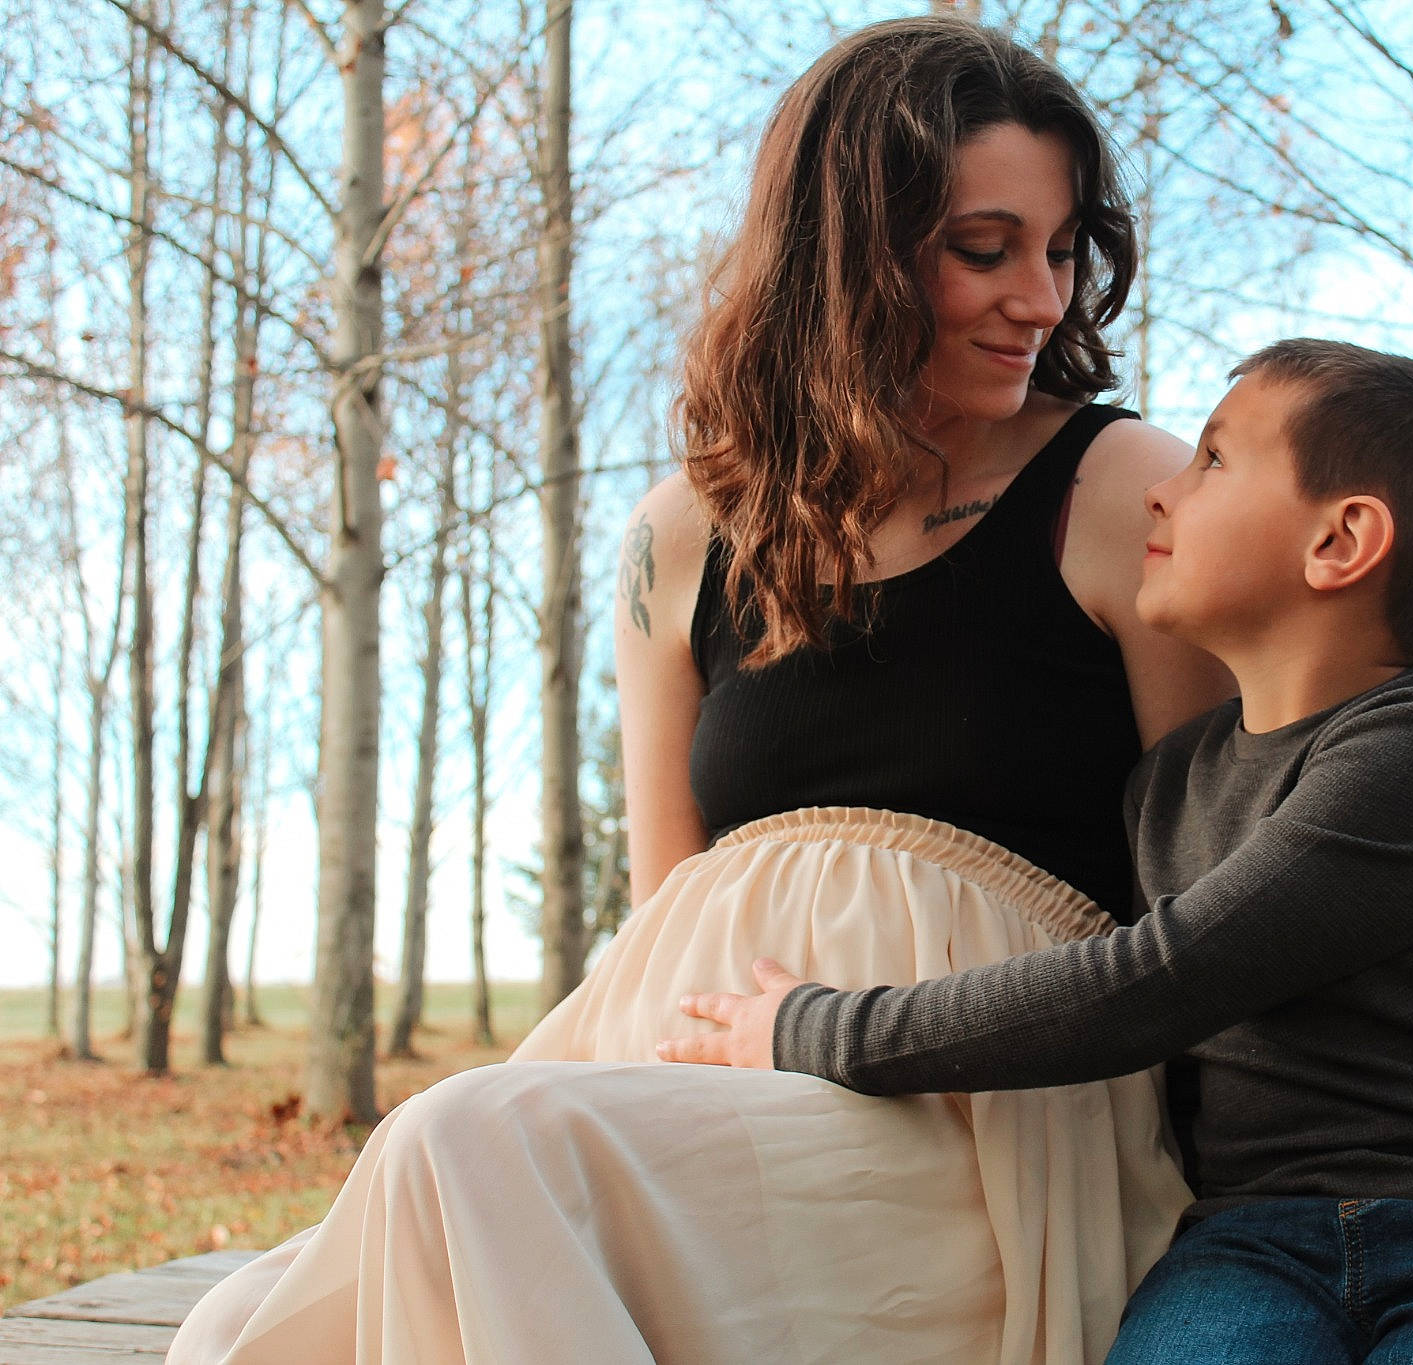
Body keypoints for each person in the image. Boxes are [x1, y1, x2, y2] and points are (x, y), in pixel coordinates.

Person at [168, 17, 1232, 1364]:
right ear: (846, 255)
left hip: (981, 1123)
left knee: (463, 1141)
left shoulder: (1121, 486)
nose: (1043, 296)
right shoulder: (683, 532)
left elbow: (1212, 900)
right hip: (684, 1091)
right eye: (985, 248)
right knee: (236, 1324)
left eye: (1065, 246)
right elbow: (669, 900)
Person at [666, 339, 1413, 1364]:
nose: (1158, 494)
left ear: (1340, 541)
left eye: (1212, 462)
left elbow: (1156, 982)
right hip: (1251, 1244)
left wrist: (823, 1032)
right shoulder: (1169, 783)